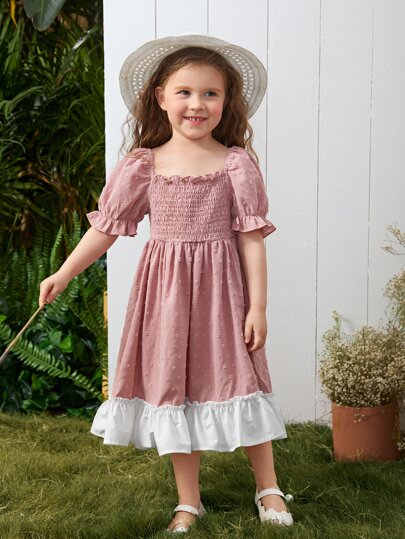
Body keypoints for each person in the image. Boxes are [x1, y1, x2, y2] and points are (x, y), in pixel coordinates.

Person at [39, 34, 294, 533]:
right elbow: (106, 228)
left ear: (226, 100)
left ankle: (268, 488)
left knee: (242, 382)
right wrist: (64, 272)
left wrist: (258, 307)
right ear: (160, 97)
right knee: (173, 387)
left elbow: (250, 239)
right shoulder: (144, 164)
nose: (197, 104)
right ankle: (188, 500)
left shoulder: (235, 164)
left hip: (223, 296)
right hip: (166, 298)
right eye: (185, 92)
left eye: (210, 93)